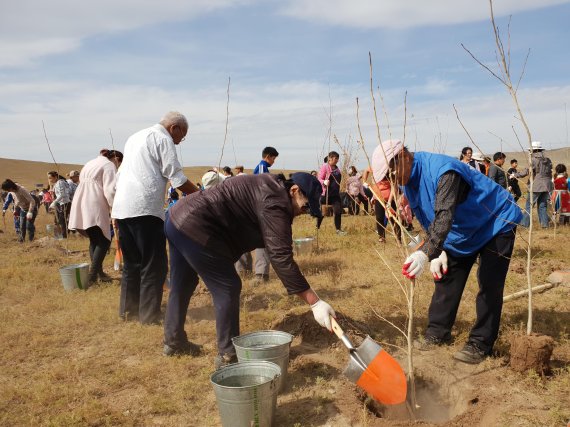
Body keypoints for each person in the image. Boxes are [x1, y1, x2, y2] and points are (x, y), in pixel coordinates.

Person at [371, 139, 522, 364]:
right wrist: (437, 250)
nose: (392, 180)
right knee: (447, 278)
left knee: (490, 283)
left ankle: (480, 343)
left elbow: (444, 214)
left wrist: (427, 252)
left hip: (495, 221)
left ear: (403, 155)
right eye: (387, 177)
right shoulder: (408, 181)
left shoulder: (443, 171)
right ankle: (437, 333)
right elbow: (427, 217)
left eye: (392, 173)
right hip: (461, 230)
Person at [162, 172, 336, 366]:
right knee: (227, 286)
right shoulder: (275, 201)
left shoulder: (271, 188)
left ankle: (173, 341)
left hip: (176, 218)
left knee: (183, 283)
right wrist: (314, 302)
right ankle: (228, 356)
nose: (303, 212)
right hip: (196, 224)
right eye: (305, 206)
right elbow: (280, 257)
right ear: (294, 190)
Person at [111, 111, 200, 325]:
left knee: (132, 263)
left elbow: (120, 176)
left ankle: (128, 311)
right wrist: (202, 195)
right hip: (145, 209)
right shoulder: (163, 139)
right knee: (154, 264)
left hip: (123, 208)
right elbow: (176, 178)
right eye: (182, 136)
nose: (179, 142)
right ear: (174, 128)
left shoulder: (134, 138)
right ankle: (149, 316)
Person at [68, 150, 122, 284]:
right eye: (119, 164)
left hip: (82, 200)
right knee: (103, 241)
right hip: (94, 201)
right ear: (116, 158)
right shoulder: (109, 166)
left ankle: (99, 273)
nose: (117, 167)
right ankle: (92, 276)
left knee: (94, 239)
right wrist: (115, 209)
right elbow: (110, 190)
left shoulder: (90, 163)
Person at [252, 146, 279, 282]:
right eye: (273, 158)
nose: (274, 161)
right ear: (268, 156)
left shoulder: (263, 166)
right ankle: (261, 274)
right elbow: (263, 184)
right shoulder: (263, 166)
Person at [515, 141, 553, 229]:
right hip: (547, 186)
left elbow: (526, 171)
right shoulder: (548, 160)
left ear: (533, 150)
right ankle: (544, 225)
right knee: (542, 205)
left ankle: (524, 224)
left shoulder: (533, 160)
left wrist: (515, 175)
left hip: (536, 186)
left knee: (529, 206)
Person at [316, 151, 346, 235]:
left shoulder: (337, 169)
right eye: (335, 158)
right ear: (330, 158)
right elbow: (319, 178)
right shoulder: (325, 167)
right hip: (325, 194)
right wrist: (324, 181)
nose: (337, 160)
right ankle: (317, 227)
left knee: (338, 211)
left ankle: (338, 230)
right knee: (322, 213)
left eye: (337, 158)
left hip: (335, 194)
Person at [47, 171, 71, 238]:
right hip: (60, 203)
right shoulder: (57, 183)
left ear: (55, 177)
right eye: (49, 178)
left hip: (64, 203)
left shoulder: (60, 183)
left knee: (62, 221)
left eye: (50, 178)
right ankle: (58, 236)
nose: (50, 180)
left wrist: (54, 202)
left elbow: (62, 194)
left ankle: (63, 236)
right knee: (58, 220)